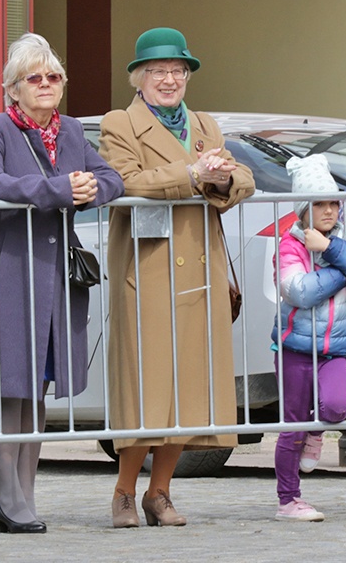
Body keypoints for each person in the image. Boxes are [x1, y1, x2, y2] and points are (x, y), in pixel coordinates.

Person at [0, 33, 124, 534]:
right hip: (3, 272)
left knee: (38, 388)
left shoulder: (70, 130)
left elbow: (111, 177)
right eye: (35, 78)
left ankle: (25, 494)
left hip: (53, 280)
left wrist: (91, 190)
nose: (46, 85)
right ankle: (8, 496)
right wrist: (56, 189)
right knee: (8, 387)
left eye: (54, 77)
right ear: (13, 88)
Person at [99, 27, 255, 528]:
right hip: (146, 272)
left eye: (178, 71)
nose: (170, 80)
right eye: (159, 71)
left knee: (191, 388)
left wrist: (223, 178)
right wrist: (191, 176)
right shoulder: (119, 122)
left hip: (200, 271)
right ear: (138, 78)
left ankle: (160, 491)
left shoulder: (205, 123)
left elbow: (243, 179)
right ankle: (125, 490)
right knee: (148, 388)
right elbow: (124, 180)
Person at [270, 155, 346, 522]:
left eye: (334, 202)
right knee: (292, 424)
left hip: (336, 348)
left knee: (337, 406)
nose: (330, 210)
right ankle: (288, 499)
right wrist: (341, 270)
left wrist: (331, 251)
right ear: (304, 209)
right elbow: (298, 291)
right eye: (320, 204)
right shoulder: (289, 244)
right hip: (295, 348)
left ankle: (317, 432)